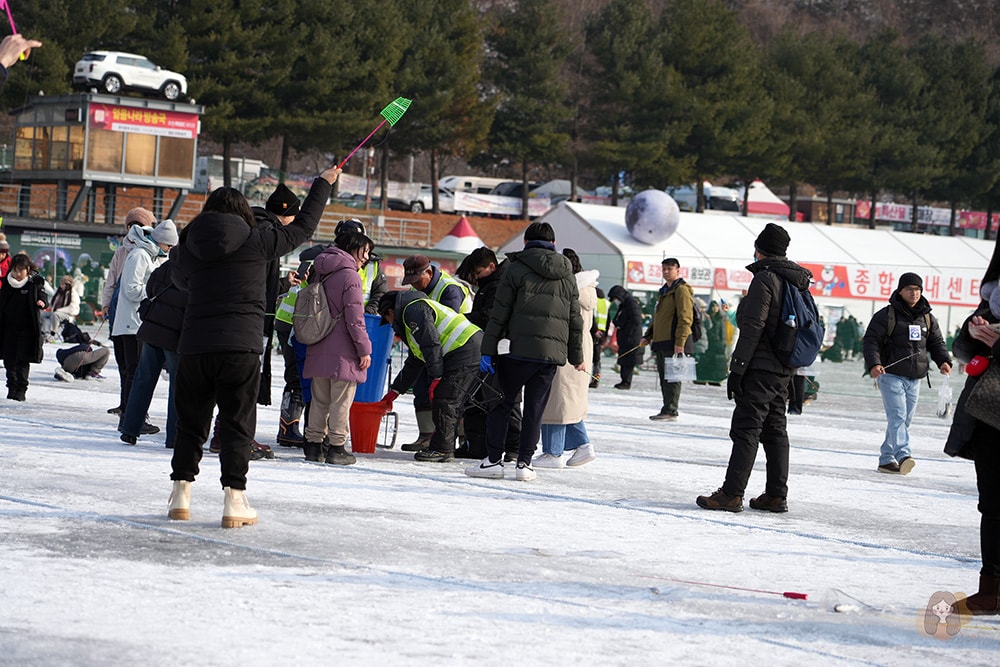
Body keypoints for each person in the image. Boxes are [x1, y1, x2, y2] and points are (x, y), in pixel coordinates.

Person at [167, 165, 341, 529]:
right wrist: (322, 184)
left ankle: (180, 494)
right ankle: (234, 500)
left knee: (191, 422)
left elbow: (179, 280)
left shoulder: (189, 241)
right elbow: (304, 228)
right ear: (244, 212)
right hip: (240, 345)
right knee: (236, 422)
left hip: (195, 343)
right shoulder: (258, 240)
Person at [696, 223, 811, 514]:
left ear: (759, 249)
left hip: (759, 367)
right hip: (784, 367)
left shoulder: (765, 279)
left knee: (747, 428)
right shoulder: (794, 280)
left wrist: (737, 368)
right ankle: (775, 495)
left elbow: (753, 327)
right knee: (775, 430)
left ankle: (731, 494)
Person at [466, 221, 584, 481]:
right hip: (550, 356)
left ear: (525, 243)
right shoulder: (567, 274)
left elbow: (499, 313)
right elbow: (575, 318)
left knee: (502, 404)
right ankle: (524, 464)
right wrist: (577, 357)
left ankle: (494, 461)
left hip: (515, 351)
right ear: (553, 244)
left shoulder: (515, 269)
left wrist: (488, 350)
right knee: (535, 409)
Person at [947, 240, 1000, 616]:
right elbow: (960, 349)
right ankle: (991, 590)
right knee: (993, 504)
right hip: (988, 412)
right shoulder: (992, 297)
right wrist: (973, 332)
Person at [377, 290, 483, 463]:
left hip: (465, 348)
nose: (389, 324)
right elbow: (415, 360)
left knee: (446, 399)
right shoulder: (413, 314)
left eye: (387, 319)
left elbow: (431, 344)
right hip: (467, 347)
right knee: (450, 399)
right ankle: (452, 446)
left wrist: (436, 377)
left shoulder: (413, 310)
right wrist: (395, 391)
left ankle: (442, 449)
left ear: (390, 311)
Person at [862, 272, 951, 475]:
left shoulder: (927, 317)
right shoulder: (886, 315)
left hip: (915, 378)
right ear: (900, 291)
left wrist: (943, 360)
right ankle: (903, 455)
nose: (914, 293)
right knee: (898, 417)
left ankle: (886, 459)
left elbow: (936, 342)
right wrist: (874, 364)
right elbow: (871, 341)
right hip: (891, 374)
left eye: (918, 289)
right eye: (910, 289)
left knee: (904, 420)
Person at [300, 231, 373, 465]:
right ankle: (337, 447)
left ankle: (313, 446)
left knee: (319, 398)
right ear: (354, 247)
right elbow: (355, 318)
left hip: (318, 341)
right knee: (341, 400)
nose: (367, 258)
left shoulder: (320, 269)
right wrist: (364, 348)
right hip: (343, 349)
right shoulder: (350, 275)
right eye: (365, 252)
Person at [399, 253, 473, 453]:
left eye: (416, 281)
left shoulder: (450, 290)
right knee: (421, 390)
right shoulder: (420, 289)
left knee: (450, 396)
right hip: (432, 349)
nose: (414, 286)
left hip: (456, 349)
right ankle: (426, 436)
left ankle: (461, 437)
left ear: (429, 272)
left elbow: (442, 327)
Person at [535, 249, 599, 469]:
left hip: (566, 346)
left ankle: (553, 453)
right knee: (567, 400)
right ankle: (582, 444)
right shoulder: (587, 290)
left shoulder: (567, 290)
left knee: (557, 399)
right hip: (581, 346)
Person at [113, 219, 177, 433]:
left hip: (137, 322)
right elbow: (131, 289)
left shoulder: (151, 255)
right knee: (135, 372)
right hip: (132, 323)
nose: (169, 251)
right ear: (161, 242)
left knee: (134, 372)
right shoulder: (140, 255)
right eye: (169, 246)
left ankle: (133, 417)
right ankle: (131, 419)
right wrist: (156, 292)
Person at [119, 253, 186, 448]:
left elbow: (150, 287)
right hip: (175, 334)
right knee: (177, 386)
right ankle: (173, 437)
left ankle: (130, 429)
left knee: (143, 380)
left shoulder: (167, 266)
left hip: (153, 329)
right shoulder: (195, 271)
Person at [103, 207, 158, 415]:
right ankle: (125, 402)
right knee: (123, 362)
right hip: (119, 309)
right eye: (130, 225)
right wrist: (106, 304)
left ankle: (134, 406)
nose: (133, 229)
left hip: (138, 314)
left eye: (138, 225)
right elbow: (111, 281)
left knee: (135, 365)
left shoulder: (152, 252)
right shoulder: (121, 251)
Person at [641, 258, 695, 420]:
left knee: (673, 377)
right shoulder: (664, 291)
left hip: (674, 341)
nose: (666, 272)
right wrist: (648, 336)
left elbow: (686, 317)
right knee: (665, 377)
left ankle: (671, 410)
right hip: (661, 340)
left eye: (669, 269)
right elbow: (658, 317)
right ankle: (666, 408)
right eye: (664, 269)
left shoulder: (681, 290)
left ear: (678, 270)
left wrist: (680, 342)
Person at [0, 254, 46, 400]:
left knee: (22, 360)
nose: (18, 274)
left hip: (27, 330)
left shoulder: (33, 283)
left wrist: (42, 302)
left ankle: (21, 390)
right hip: (8, 329)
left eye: (21, 271)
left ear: (27, 269)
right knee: (9, 360)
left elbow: (42, 294)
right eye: (15, 270)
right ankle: (11, 387)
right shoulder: (7, 283)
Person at [607, 285, 642, 390]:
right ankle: (624, 380)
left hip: (631, 337)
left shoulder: (631, 303)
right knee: (624, 360)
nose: (615, 301)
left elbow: (636, 320)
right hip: (626, 336)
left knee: (628, 361)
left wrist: (624, 327)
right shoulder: (625, 303)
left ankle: (626, 382)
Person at [695, 300, 728, 386]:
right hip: (708, 341)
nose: (715, 308)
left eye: (716, 306)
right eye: (713, 306)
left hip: (717, 342)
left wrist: (723, 343)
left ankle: (715, 378)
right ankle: (705, 377)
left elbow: (723, 332)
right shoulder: (706, 316)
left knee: (715, 361)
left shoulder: (721, 317)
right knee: (706, 361)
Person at [590, 287, 609, 388]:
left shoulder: (593, 301)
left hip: (593, 332)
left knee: (590, 357)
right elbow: (608, 319)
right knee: (597, 359)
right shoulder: (606, 303)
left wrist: (594, 330)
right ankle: (596, 379)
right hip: (602, 333)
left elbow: (591, 318)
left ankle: (592, 380)